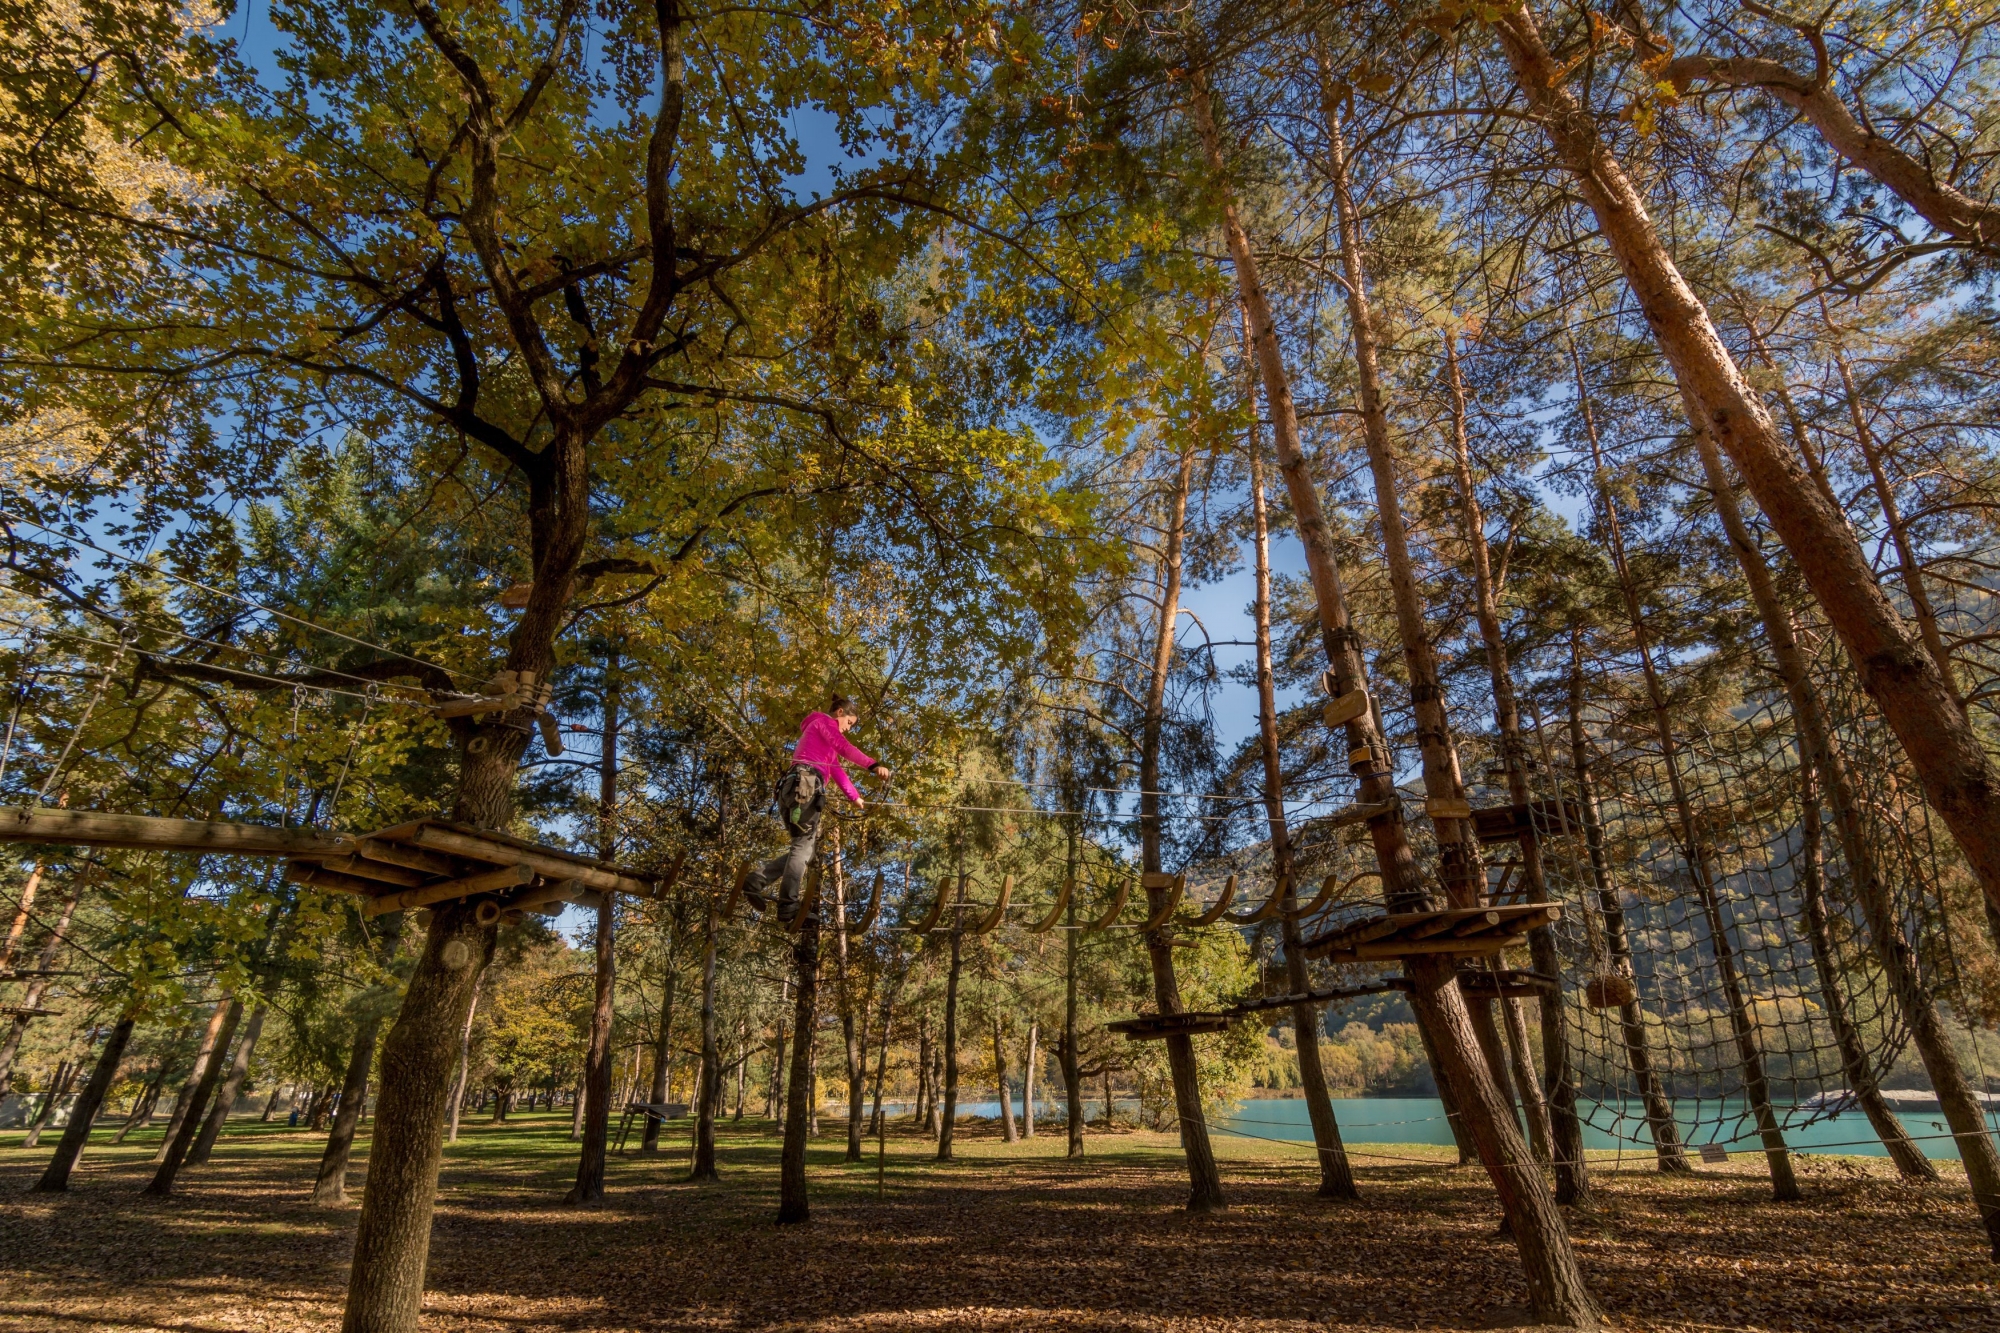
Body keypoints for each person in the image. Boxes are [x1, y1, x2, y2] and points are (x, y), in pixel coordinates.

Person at [741, 694, 891, 923]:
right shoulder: (824, 723)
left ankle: (757, 880)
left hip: (794, 788)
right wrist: (873, 764)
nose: (848, 729)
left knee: (804, 849)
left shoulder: (822, 738)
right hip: (805, 784)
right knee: (802, 848)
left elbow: (838, 771)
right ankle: (788, 907)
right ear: (840, 713)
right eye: (849, 723)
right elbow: (844, 748)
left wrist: (855, 798)